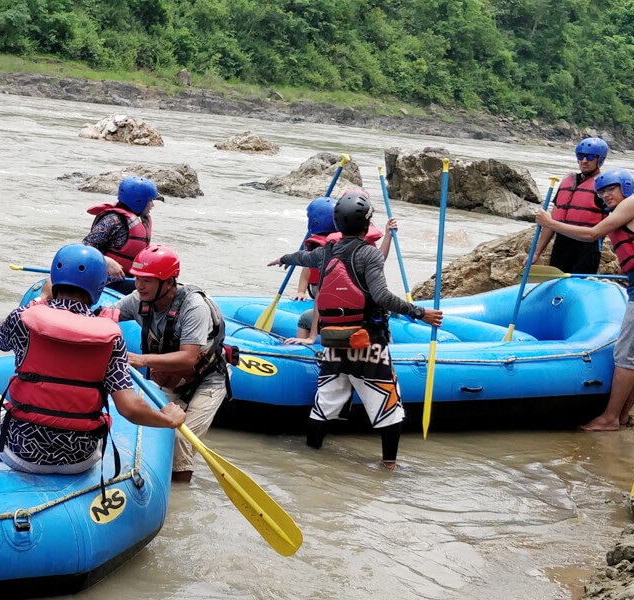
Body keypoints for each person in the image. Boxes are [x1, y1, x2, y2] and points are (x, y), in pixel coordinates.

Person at [0, 244, 186, 474]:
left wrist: (39, 299)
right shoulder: (111, 337)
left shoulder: (24, 318)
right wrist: (166, 419)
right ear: (99, 288)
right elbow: (129, 407)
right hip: (82, 458)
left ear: (54, 280)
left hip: (24, 453)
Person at [269, 191, 443, 468]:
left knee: (325, 403)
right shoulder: (369, 255)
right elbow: (383, 297)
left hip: (333, 344)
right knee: (388, 407)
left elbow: (302, 257)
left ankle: (310, 457)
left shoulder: (326, 252)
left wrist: (283, 258)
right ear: (367, 224)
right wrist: (420, 313)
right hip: (368, 345)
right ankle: (389, 466)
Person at [536, 168, 634, 432]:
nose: (605, 195)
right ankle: (623, 414)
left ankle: (610, 418)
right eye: (602, 192)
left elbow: (592, 234)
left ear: (626, 187)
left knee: (627, 353)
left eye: (610, 189)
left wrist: (551, 223)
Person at [107, 244, 226, 483]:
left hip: (206, 380)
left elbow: (188, 357)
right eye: (138, 278)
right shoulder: (137, 300)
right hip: (170, 380)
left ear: (169, 282)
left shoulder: (194, 307)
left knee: (182, 440)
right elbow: (106, 316)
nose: (139, 285)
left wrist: (141, 359)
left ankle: (180, 495)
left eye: (147, 281)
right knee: (156, 430)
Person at [294, 194, 396, 340]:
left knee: (304, 319)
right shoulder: (361, 248)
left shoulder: (327, 250)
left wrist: (311, 337)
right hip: (361, 304)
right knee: (383, 311)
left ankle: (303, 351)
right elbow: (380, 258)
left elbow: (319, 290)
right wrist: (301, 291)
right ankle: (389, 344)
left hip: (344, 306)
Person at [534, 137, 611, 275]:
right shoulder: (568, 182)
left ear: (599, 159)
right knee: (556, 283)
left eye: (590, 157)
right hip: (561, 245)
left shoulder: (604, 187)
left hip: (587, 248)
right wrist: (536, 252)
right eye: (581, 156)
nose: (584, 161)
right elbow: (552, 221)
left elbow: (620, 218)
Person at [84, 176, 161, 291]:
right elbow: (84, 248)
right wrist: (105, 260)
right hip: (104, 281)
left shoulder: (140, 220)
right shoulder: (113, 220)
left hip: (126, 280)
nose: (152, 205)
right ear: (139, 202)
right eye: (150, 201)